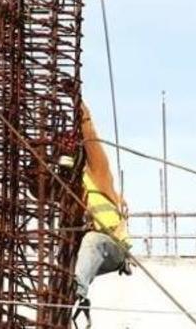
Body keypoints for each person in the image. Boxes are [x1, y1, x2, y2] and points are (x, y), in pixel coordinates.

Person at [73, 102, 131, 326]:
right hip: (90, 254)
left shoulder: (97, 174)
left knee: (92, 240)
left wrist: (81, 111)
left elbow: (91, 140)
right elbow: (40, 188)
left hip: (113, 247)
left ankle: (78, 289)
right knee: (70, 257)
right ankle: (72, 291)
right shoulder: (69, 189)